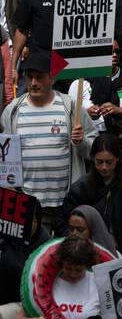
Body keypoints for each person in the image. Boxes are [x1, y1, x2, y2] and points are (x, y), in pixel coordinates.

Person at [1, 60, 95, 218]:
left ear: (52, 78)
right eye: (30, 77)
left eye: (39, 77)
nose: (33, 83)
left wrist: (80, 142)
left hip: (66, 202)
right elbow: (3, 158)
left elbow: (94, 150)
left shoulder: (71, 107)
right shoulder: (12, 111)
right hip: (27, 204)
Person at [60, 134, 122, 256]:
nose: (104, 167)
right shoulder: (81, 187)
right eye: (99, 162)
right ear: (92, 159)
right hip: (90, 253)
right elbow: (63, 222)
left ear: (117, 158)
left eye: (109, 162)